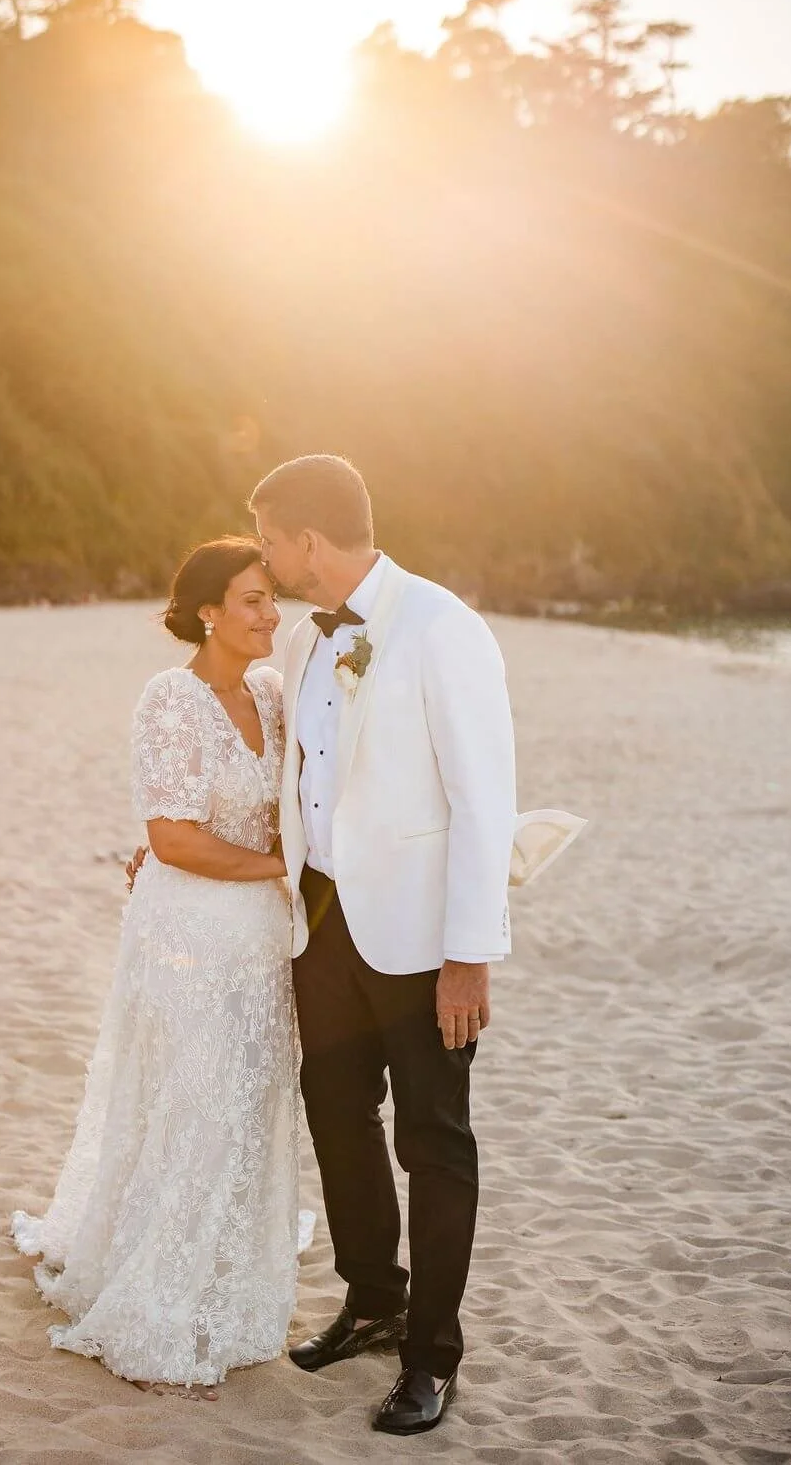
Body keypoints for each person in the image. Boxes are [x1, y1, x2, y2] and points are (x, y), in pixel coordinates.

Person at [250, 454, 517, 1436]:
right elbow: (307, 777)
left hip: (418, 940)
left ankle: (431, 1352)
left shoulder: (443, 628)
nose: (269, 560)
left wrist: (468, 952)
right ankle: (371, 1293)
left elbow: (486, 800)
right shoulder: (311, 640)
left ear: (307, 539)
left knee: (433, 1141)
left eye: (273, 540)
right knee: (336, 1111)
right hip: (323, 921)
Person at [12, 537, 299, 1392]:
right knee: (191, 1102)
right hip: (188, 935)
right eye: (251, 598)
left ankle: (224, 1277)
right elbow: (170, 838)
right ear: (208, 609)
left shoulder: (276, 693)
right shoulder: (171, 699)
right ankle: (151, 1287)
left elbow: (299, 804)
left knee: (247, 1106)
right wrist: (280, 868)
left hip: (263, 944)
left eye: (272, 596)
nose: (268, 613)